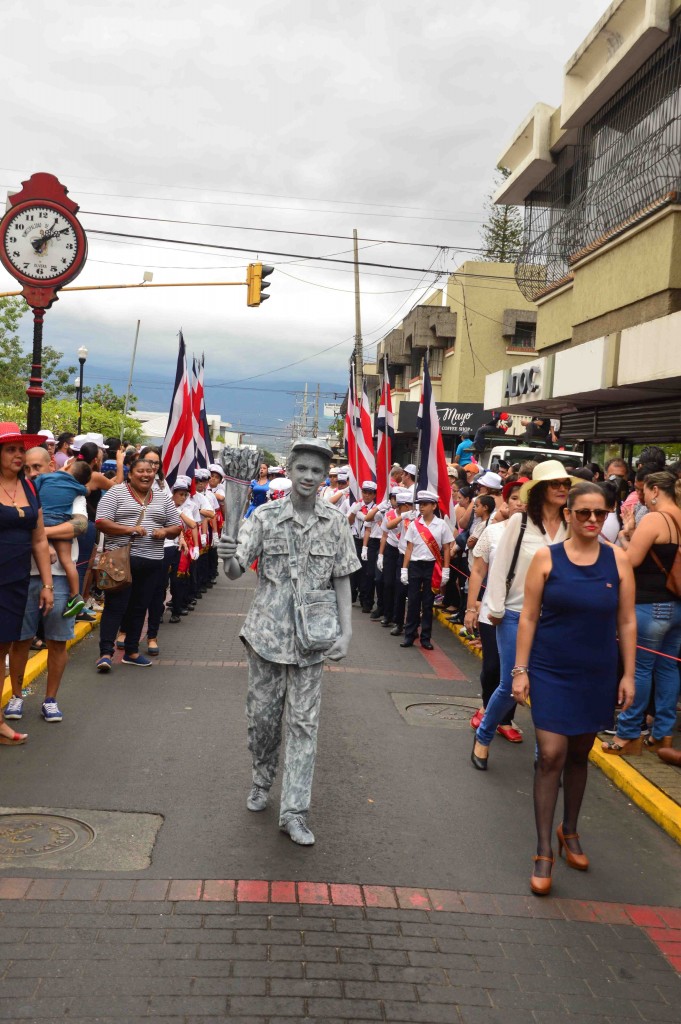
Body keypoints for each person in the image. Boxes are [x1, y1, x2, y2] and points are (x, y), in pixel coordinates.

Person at [217, 437, 360, 846]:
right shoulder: (263, 517)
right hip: (266, 637)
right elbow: (233, 570)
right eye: (302, 469)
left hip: (312, 640)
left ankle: (295, 811)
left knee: (303, 725)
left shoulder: (335, 521)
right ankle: (262, 778)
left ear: (325, 477)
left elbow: (342, 578)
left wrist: (346, 631)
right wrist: (226, 551)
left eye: (317, 472)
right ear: (290, 470)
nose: (309, 478)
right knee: (263, 720)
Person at [512, 482, 636, 895]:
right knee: (551, 754)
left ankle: (570, 831)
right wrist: (520, 669)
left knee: (580, 753)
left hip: (596, 672)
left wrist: (629, 675)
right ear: (568, 514)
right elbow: (528, 617)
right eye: (583, 512)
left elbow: (627, 622)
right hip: (550, 669)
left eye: (600, 513)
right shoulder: (547, 557)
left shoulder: (618, 560)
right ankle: (543, 848)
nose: (591, 520)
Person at [472, 460, 576, 769]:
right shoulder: (519, 523)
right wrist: (495, 609)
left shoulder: (572, 524)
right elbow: (499, 566)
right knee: (509, 685)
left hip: (555, 619)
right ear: (541, 489)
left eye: (565, 484)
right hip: (515, 614)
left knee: (545, 687)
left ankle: (541, 757)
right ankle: (484, 736)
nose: (561, 489)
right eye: (555, 484)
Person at [6, 453, 90, 726]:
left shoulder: (69, 490)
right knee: (19, 640)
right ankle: (16, 696)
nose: (32, 472)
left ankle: (50, 700)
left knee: (57, 640)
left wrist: (38, 532)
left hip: (60, 579)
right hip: (20, 575)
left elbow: (79, 526)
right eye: (28, 467)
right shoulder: (16, 491)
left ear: (51, 466)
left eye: (37, 467)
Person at [603, 470, 681, 755]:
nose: (643, 498)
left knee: (640, 669)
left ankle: (627, 735)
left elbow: (631, 560)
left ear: (656, 490)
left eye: (645, 492)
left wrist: (610, 544)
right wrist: (626, 534)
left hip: (650, 605)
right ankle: (663, 734)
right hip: (676, 605)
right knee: (668, 669)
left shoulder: (655, 519)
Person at [94, 454, 182, 671]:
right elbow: (101, 522)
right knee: (116, 607)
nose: (146, 475)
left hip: (152, 562)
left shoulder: (162, 497)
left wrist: (164, 531)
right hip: (120, 560)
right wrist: (129, 529)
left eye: (150, 471)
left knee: (139, 607)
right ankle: (105, 653)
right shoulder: (116, 492)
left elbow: (177, 525)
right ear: (130, 474)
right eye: (140, 471)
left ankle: (132, 651)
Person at [0, 423, 54, 745]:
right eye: (11, 449)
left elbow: (38, 538)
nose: (19, 455)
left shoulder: (31, 488)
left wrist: (47, 585)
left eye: (22, 449)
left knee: (3, 648)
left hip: (18, 581)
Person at [465, 477, 528, 743]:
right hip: (492, 611)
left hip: (526, 614)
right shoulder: (493, 531)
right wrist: (470, 608)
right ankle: (487, 706)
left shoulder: (542, 534)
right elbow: (478, 571)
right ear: (505, 501)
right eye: (514, 498)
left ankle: (504, 719)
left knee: (515, 668)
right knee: (492, 666)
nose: (519, 504)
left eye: (525, 498)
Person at [33, 460, 91, 618]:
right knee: (67, 561)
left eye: (36, 466)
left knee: (41, 543)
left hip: (42, 518)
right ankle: (75, 596)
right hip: (62, 520)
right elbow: (86, 491)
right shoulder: (78, 488)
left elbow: (34, 488)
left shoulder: (45, 478)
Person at [400, 490, 453, 650]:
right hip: (416, 566)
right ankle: (409, 635)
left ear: (434, 506)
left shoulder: (442, 524)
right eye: (420, 505)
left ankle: (426, 638)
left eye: (425, 504)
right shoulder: (415, 525)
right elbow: (409, 548)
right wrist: (404, 569)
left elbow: (446, 549)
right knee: (413, 602)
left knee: (428, 604)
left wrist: (446, 570)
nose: (421, 507)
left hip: (432, 567)